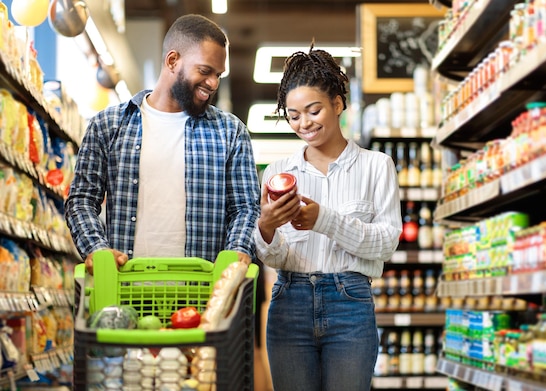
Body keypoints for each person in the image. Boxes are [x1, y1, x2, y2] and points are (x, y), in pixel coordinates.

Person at [255, 45, 402, 391]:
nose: (303, 123)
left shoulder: (376, 166)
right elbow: (275, 258)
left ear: (337, 104)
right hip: (289, 302)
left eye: (313, 110)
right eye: (293, 115)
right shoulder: (277, 173)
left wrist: (325, 220)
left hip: (350, 304)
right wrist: (266, 228)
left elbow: (386, 243)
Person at [64, 14, 260, 273]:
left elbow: (246, 208)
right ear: (172, 61)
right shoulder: (108, 125)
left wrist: (238, 249)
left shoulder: (230, 131)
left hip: (203, 295)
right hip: (125, 290)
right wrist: (97, 249)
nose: (213, 83)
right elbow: (81, 200)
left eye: (218, 75)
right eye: (204, 71)